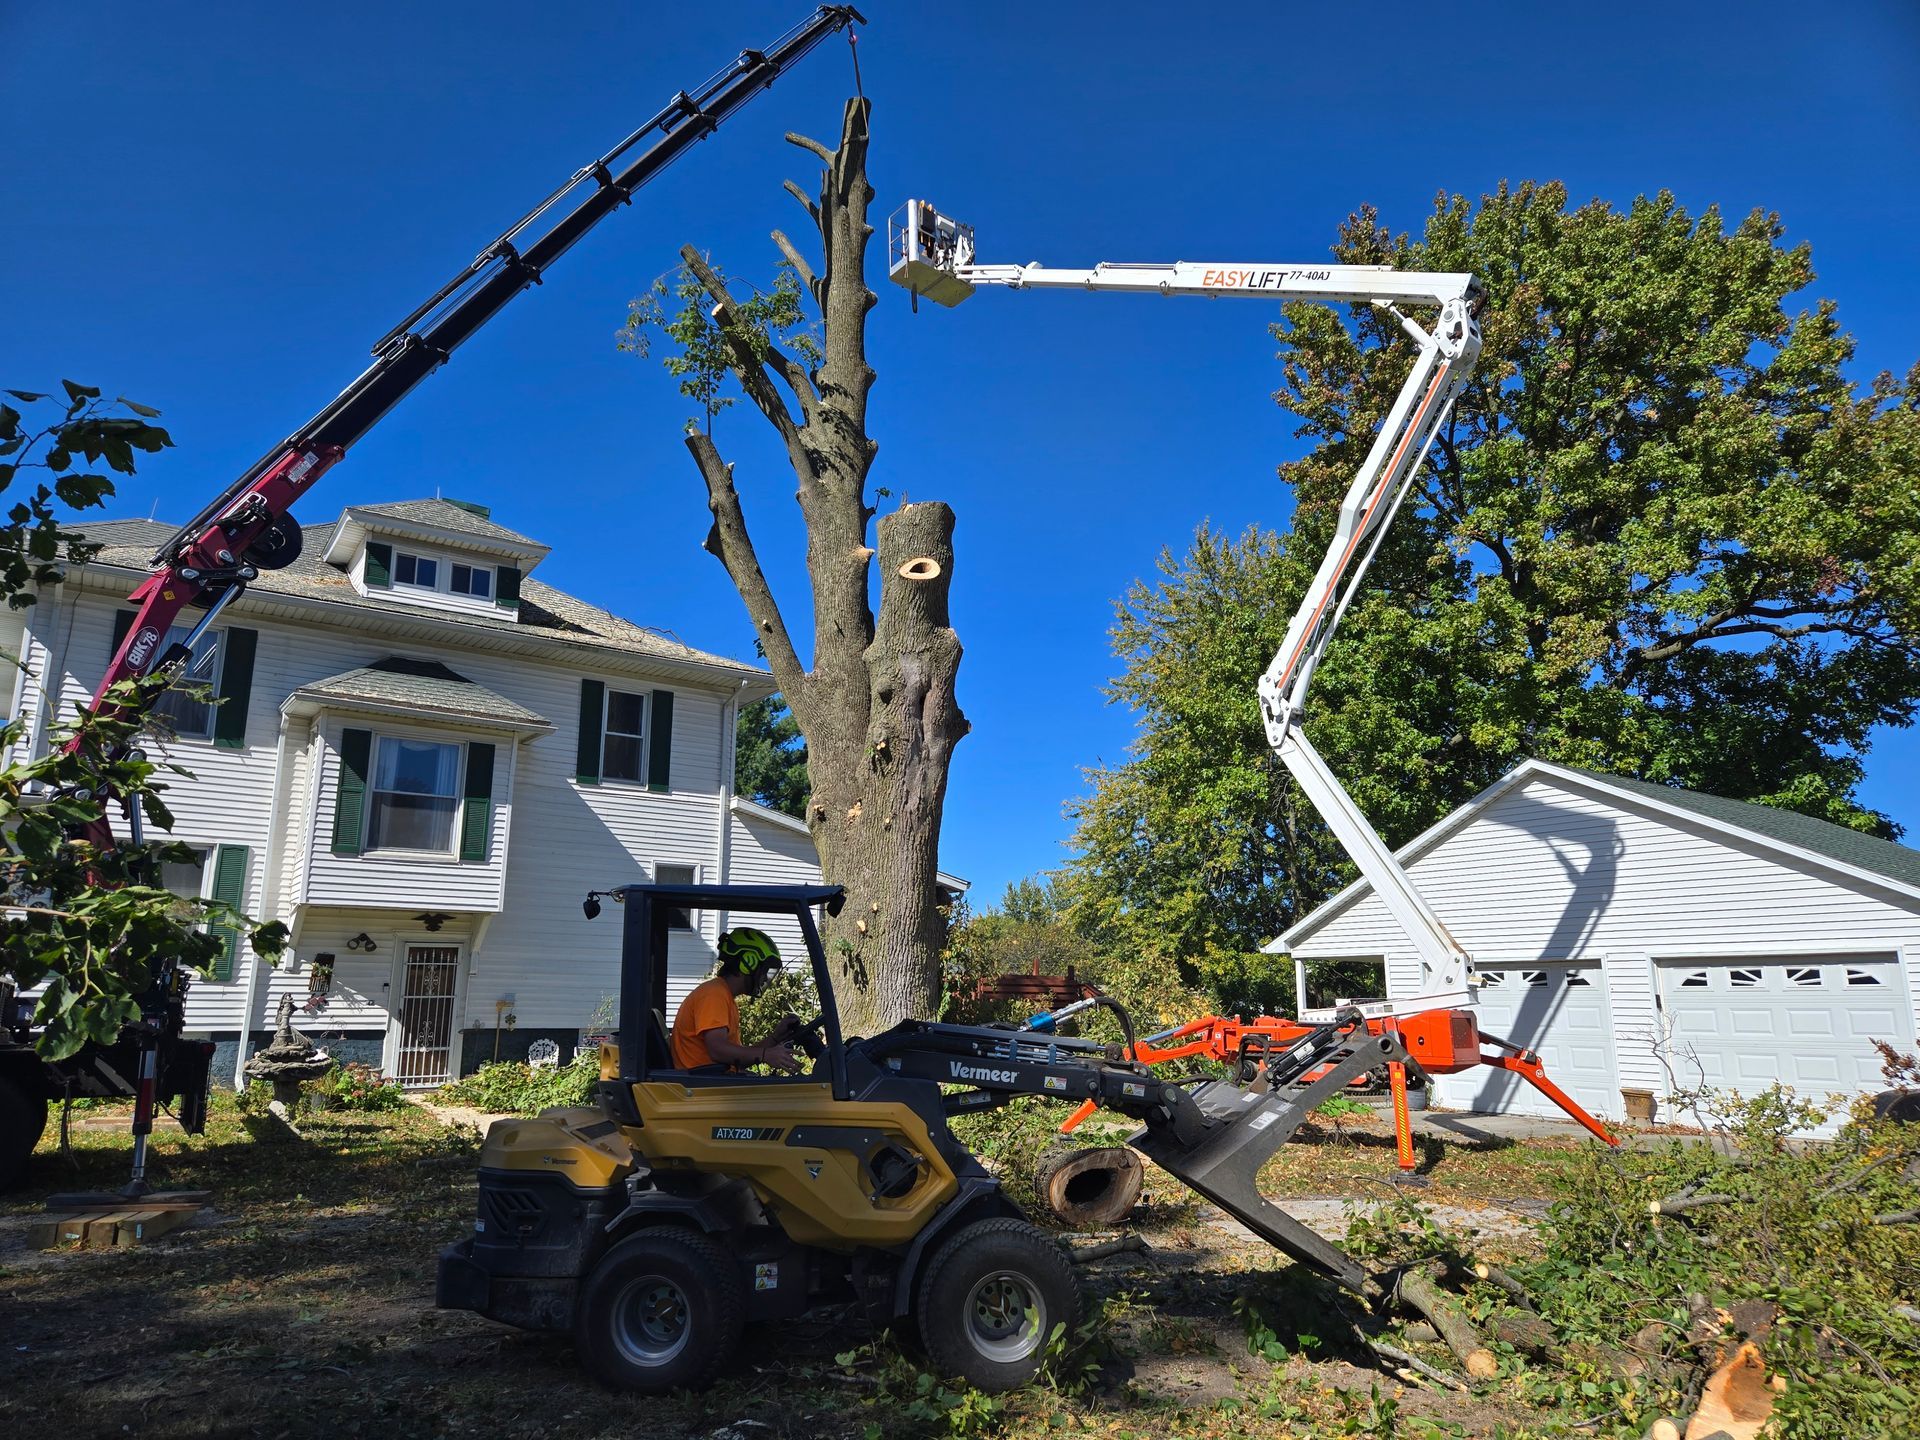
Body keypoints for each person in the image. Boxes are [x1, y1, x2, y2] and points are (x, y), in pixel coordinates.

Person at [669, 926, 806, 1074]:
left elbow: (737, 1059)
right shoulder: (714, 994)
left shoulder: (724, 995)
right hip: (704, 1088)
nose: (765, 978)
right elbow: (718, 1050)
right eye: (764, 970)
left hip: (713, 1082)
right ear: (749, 962)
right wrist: (765, 1055)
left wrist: (775, 1038)